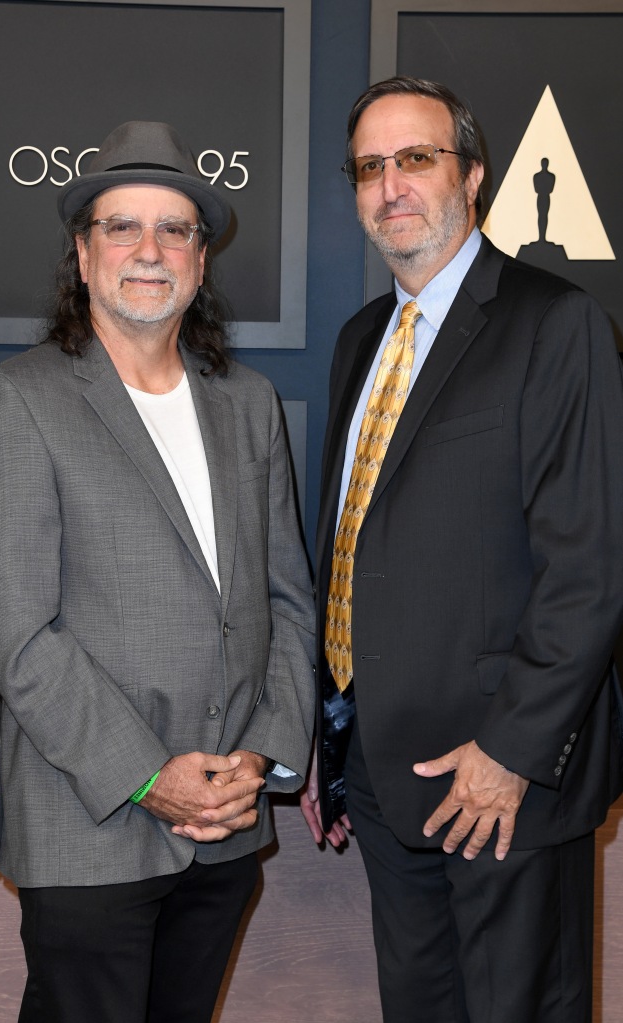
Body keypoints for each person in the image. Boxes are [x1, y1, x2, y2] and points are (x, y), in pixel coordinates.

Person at [0, 120, 315, 1023]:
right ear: (82, 254)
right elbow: (10, 626)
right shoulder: (20, 399)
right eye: (122, 227)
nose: (149, 251)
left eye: (174, 230)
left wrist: (260, 757)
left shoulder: (249, 405)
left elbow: (288, 604)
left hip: (225, 830)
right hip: (91, 826)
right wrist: (151, 776)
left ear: (199, 260)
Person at [301, 76, 623, 1022]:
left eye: (416, 159)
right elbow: (355, 548)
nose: (390, 185)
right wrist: (336, 742)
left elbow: (590, 568)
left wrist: (509, 752)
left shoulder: (553, 324)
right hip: (386, 774)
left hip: (500, 783)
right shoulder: (362, 338)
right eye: (370, 167)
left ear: (471, 174)